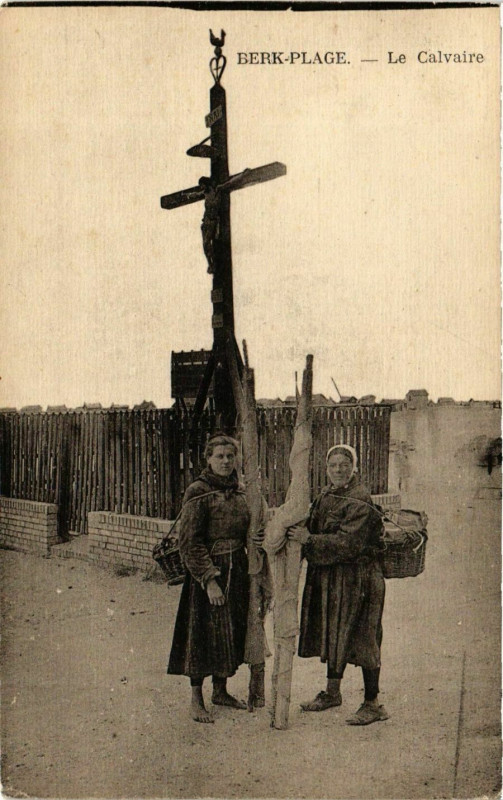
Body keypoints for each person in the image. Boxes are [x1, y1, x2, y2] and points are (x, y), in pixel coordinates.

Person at [288, 444, 389, 725]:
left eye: (344, 464)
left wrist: (308, 540)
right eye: (333, 465)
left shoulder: (360, 499)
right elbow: (311, 524)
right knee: (335, 633)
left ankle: (373, 703)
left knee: (364, 637)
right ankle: (333, 693)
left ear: (354, 467)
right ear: (326, 469)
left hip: (361, 579)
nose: (339, 470)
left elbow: (349, 543)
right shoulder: (325, 495)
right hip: (334, 578)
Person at [167, 434, 251, 723]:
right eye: (220, 456)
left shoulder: (240, 491)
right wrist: (209, 579)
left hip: (236, 571)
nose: (226, 461)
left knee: (228, 632)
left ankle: (221, 691)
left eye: (230, 456)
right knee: (201, 635)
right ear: (208, 459)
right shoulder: (198, 491)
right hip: (207, 576)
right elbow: (189, 542)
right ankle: (196, 699)